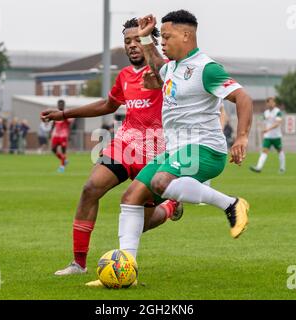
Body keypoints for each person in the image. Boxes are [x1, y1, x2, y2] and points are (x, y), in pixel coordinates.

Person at [81, 11, 253, 287]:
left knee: (161, 182)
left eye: (168, 36)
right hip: (176, 151)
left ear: (186, 35)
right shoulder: (171, 67)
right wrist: (147, 34)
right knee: (131, 196)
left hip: (206, 149)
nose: (164, 41)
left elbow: (242, 97)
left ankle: (231, 204)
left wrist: (242, 137)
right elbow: (156, 61)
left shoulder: (206, 68)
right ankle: (125, 271)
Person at [40, 17, 183, 278]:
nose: (131, 45)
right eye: (127, 41)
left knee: (139, 224)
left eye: (137, 39)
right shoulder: (125, 76)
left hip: (157, 152)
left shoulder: (168, 71)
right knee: (90, 188)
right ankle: (78, 264)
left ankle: (170, 207)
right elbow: (107, 105)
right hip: (125, 144)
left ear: (149, 40)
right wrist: (63, 114)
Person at [250, 97, 285, 173]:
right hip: (268, 137)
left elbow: (278, 123)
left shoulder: (278, 112)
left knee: (280, 151)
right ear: (267, 103)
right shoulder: (266, 113)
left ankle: (282, 168)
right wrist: (260, 125)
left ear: (274, 103)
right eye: (269, 102)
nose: (271, 104)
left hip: (276, 136)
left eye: (272, 102)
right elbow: (260, 120)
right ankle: (259, 167)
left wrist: (267, 129)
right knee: (264, 151)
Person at [49, 100, 74, 172]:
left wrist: (70, 134)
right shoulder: (55, 113)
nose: (60, 105)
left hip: (63, 135)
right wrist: (50, 132)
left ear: (64, 105)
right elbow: (53, 123)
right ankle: (64, 160)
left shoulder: (66, 114)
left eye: (61, 104)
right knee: (53, 149)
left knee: (63, 151)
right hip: (56, 135)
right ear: (57, 105)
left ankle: (62, 167)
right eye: (59, 104)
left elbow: (70, 124)